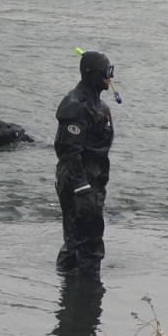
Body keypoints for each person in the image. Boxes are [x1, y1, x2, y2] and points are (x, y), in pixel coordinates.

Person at [54, 51, 115, 275]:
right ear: (91, 74)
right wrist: (82, 186)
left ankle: (70, 287)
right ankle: (85, 296)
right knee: (88, 243)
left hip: (94, 180)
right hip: (79, 182)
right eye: (106, 72)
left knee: (77, 241)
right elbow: (68, 150)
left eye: (111, 71)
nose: (110, 77)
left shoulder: (101, 107)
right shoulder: (75, 105)